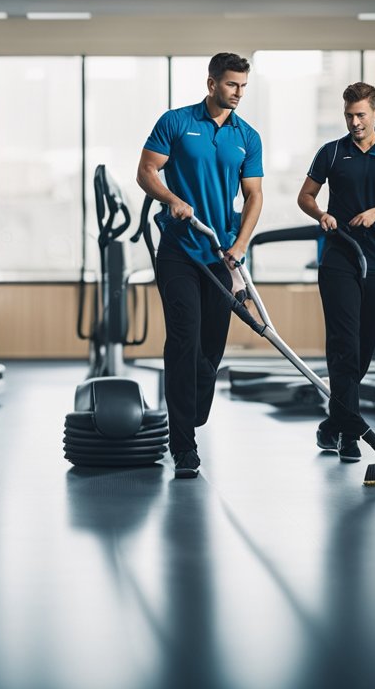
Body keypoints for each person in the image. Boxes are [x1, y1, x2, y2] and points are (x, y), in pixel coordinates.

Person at [136, 52, 264, 479]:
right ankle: (183, 444)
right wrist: (171, 200)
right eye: (231, 85)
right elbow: (146, 171)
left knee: (211, 349)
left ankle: (191, 414)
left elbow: (253, 196)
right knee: (184, 339)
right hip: (178, 250)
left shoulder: (248, 136)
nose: (238, 93)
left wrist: (240, 244)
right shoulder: (175, 122)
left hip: (220, 253)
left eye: (243, 86)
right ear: (212, 84)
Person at [297, 82, 375, 462]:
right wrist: (322, 214)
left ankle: (333, 425)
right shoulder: (331, 152)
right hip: (338, 260)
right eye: (348, 115)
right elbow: (306, 196)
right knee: (344, 346)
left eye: (361, 114)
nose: (354, 122)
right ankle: (349, 434)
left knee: (363, 350)